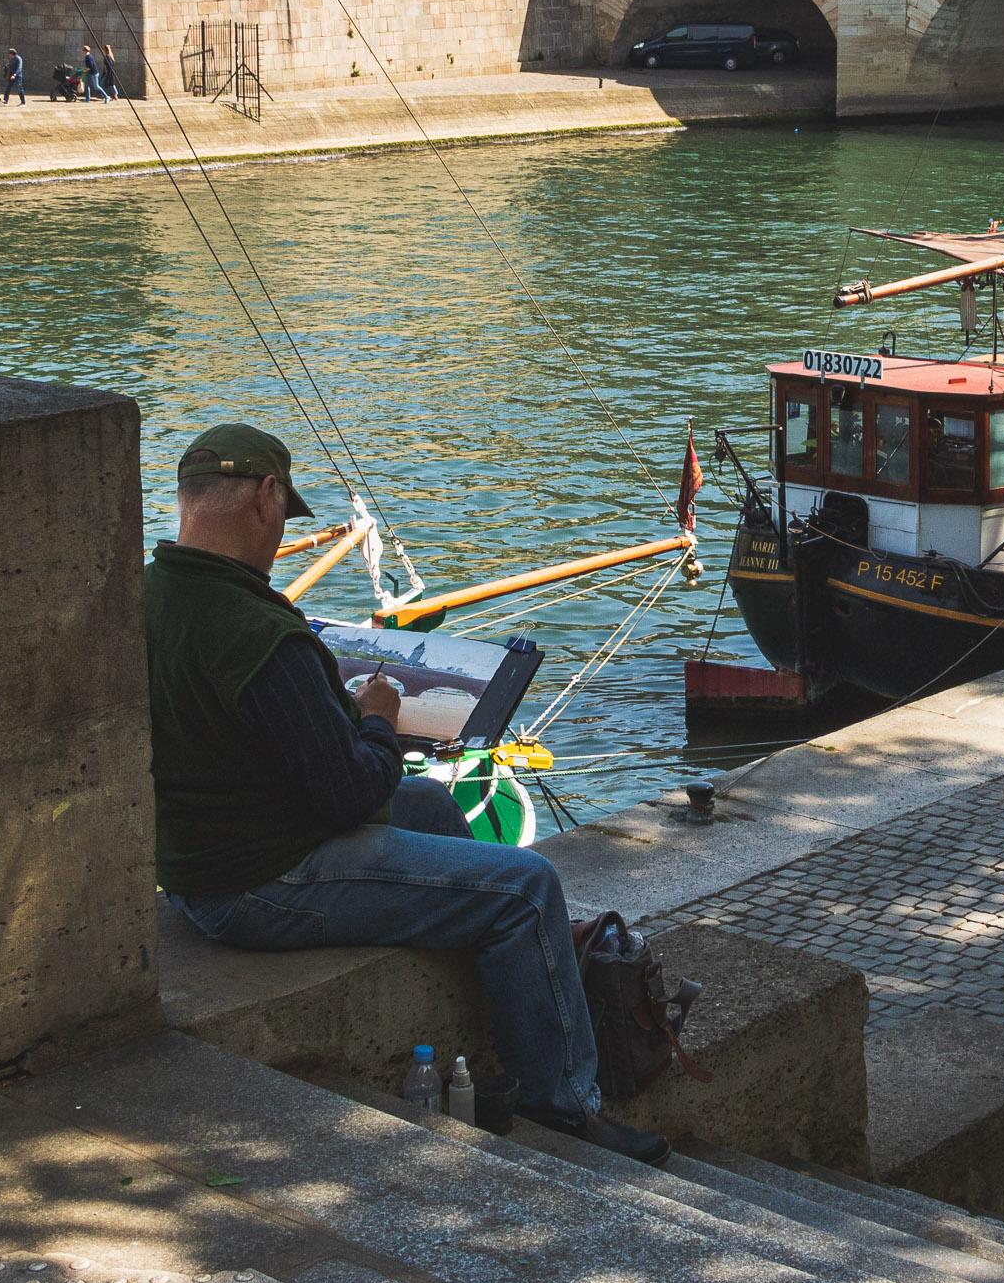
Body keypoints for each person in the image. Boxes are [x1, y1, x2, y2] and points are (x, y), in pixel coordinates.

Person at [146, 425, 668, 1166]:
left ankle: (513, 985)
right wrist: (379, 723)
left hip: (200, 863)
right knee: (526, 886)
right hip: (259, 882)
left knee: (430, 807)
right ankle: (567, 1106)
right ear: (266, 497)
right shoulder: (261, 633)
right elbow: (348, 796)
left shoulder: (151, 593)